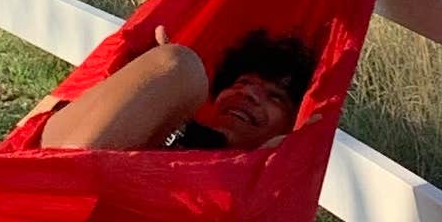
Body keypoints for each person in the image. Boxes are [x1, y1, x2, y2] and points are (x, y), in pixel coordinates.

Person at [39, 25, 315, 156]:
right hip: (47, 165)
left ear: (290, 124)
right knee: (182, 67)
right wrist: (158, 79)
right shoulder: (171, 111)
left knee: (181, 66)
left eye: (275, 97)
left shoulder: (249, 180)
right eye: (241, 84)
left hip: (82, 206)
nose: (250, 94)